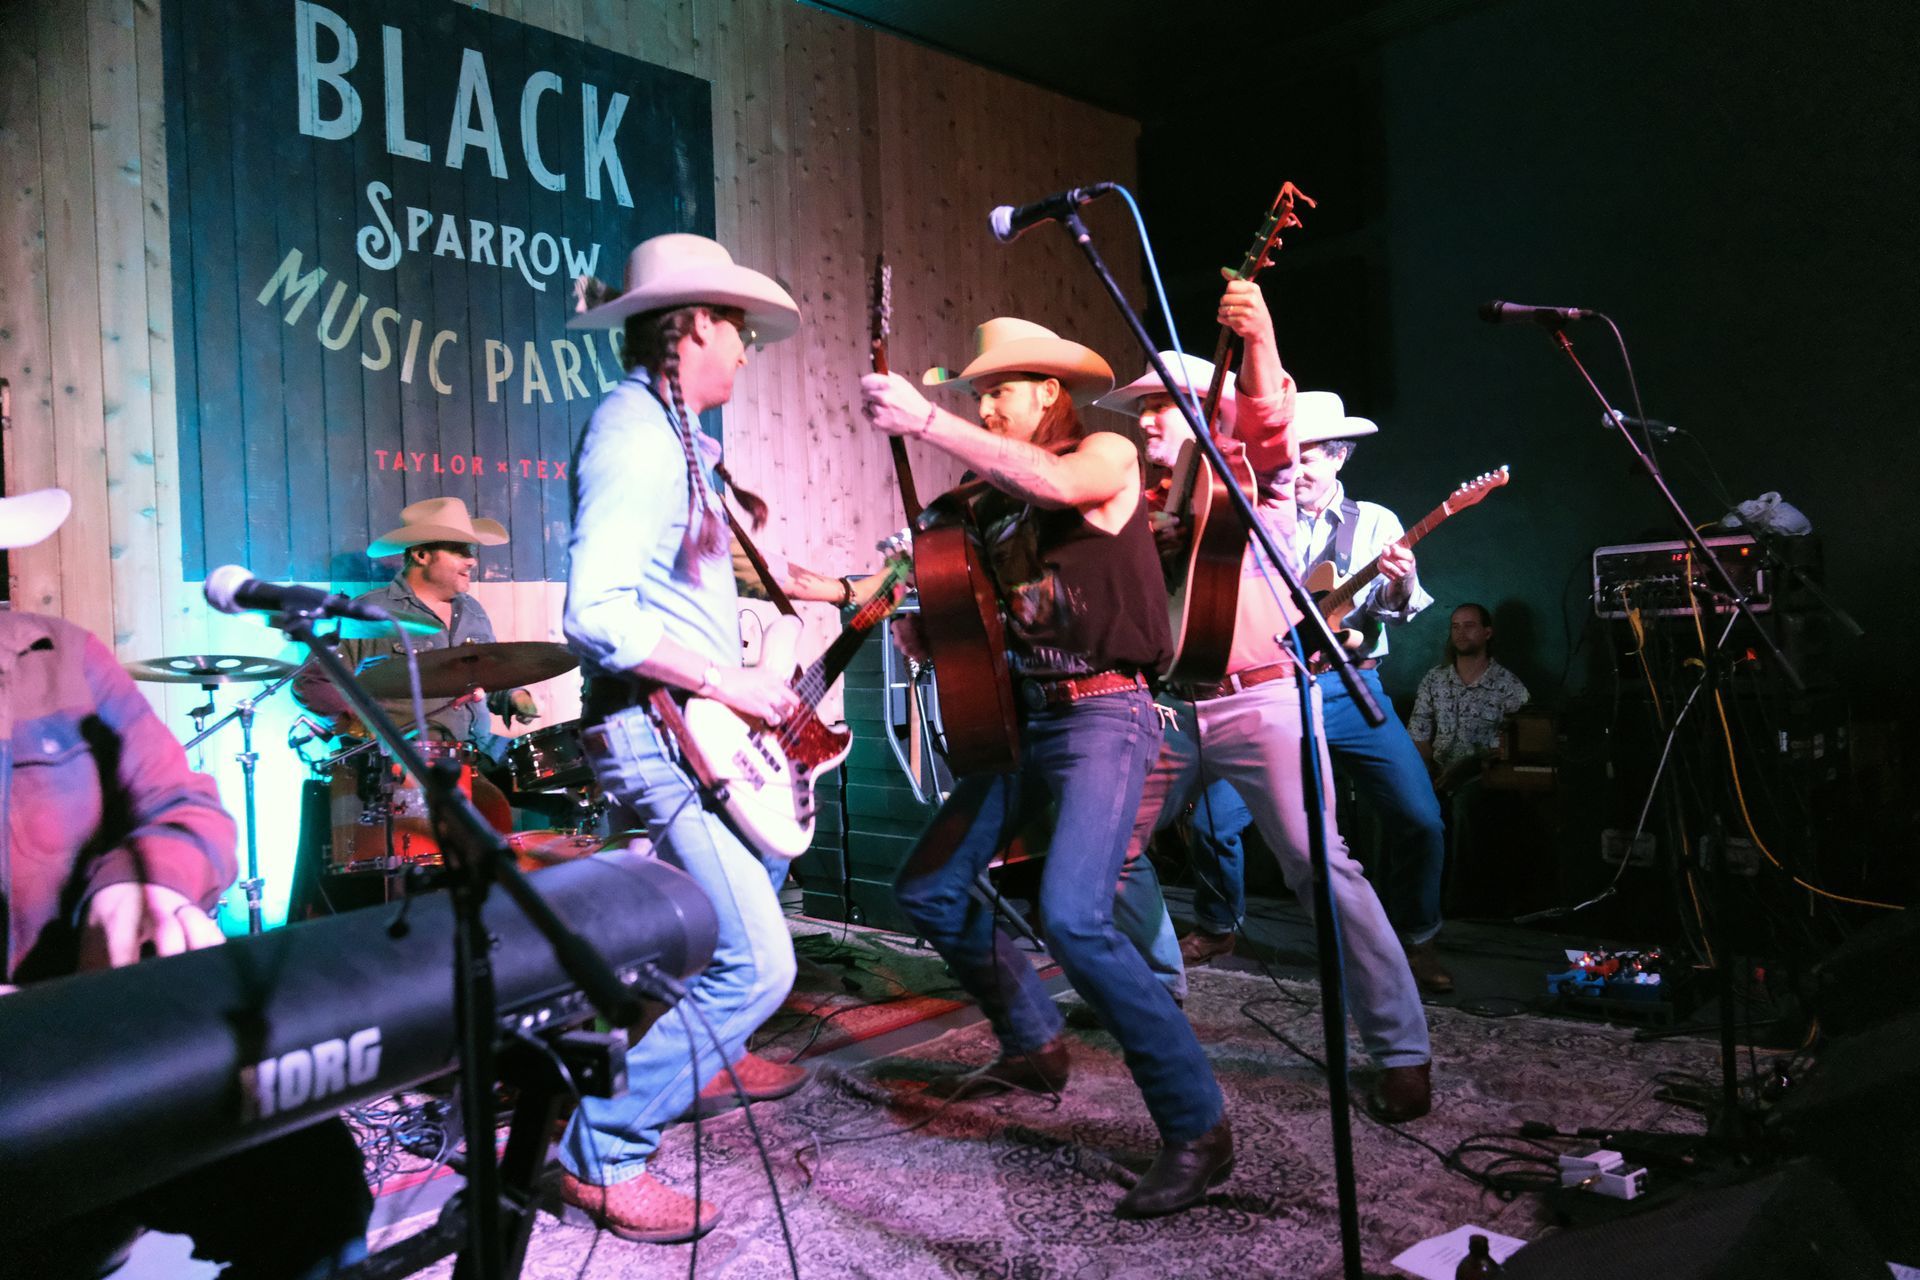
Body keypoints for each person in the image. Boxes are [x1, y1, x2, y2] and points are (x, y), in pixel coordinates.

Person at [860, 318, 1233, 1218]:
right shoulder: (987, 504)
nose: (985, 404)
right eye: (979, 393)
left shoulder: (1102, 453)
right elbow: (989, 611)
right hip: (1021, 719)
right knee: (932, 886)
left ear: (1048, 393)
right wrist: (929, 625)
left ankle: (1197, 1128)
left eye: (1002, 389)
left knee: (1073, 913)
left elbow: (1060, 482)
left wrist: (928, 425)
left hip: (1107, 711)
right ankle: (1034, 1039)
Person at [0, 488, 369, 1278]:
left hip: (96, 1041)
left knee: (316, 1188)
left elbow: (181, 805)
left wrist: (144, 885)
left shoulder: (60, 657)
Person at [1103, 277, 1435, 1125]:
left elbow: (1275, 430)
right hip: (1171, 708)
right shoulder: (1128, 503)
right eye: (1137, 409)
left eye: (1159, 407)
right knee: (1105, 851)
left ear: (1203, 415)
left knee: (1323, 868)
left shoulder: (1257, 482)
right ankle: (1164, 990)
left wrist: (1260, 341)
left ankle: (1399, 1047)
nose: (1143, 422)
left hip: (1263, 700)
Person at [554, 233, 809, 1243]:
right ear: (691, 325)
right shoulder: (636, 432)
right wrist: (727, 679)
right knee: (761, 964)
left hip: (692, 724)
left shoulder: (680, 437)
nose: (746, 350)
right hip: (660, 727)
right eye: (736, 328)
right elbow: (596, 609)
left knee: (739, 915)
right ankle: (601, 1148)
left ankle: (698, 1049)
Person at [1171, 403, 1457, 995]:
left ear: (1338, 457)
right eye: (1285, 454)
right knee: (1212, 822)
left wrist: (1400, 577)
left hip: (1348, 687)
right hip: (1268, 691)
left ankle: (1416, 939)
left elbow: (1396, 611)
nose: (1294, 467)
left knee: (1421, 820)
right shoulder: (1251, 517)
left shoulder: (1375, 521)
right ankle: (1219, 924)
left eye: (1308, 455)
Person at [291, 497, 539, 765]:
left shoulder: (473, 612)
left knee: (560, 794)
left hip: (478, 753)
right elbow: (311, 683)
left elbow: (485, 679)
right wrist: (355, 723)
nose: (471, 561)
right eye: (459, 551)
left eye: (470, 551)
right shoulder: (369, 613)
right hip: (407, 763)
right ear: (421, 555)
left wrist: (514, 695)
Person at [1408, 602, 1530, 792]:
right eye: (1455, 626)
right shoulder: (1434, 679)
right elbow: (1418, 734)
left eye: (1469, 625)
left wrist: (1468, 769)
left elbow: (1517, 746)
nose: (1460, 632)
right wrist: (1429, 773)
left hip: (1482, 778)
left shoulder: (1509, 687)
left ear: (1487, 633)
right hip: (1435, 774)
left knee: (1469, 800)